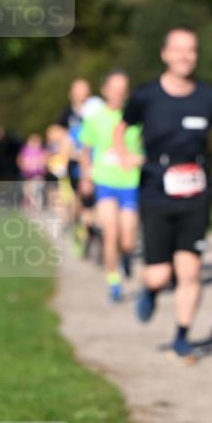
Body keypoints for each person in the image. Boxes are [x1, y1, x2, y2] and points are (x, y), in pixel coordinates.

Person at [115, 27, 212, 363]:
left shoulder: (210, 97)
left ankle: (182, 336)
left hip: (195, 188)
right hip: (155, 187)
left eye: (190, 50)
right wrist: (123, 153)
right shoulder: (147, 96)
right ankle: (150, 290)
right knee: (159, 274)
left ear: (196, 55)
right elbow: (122, 128)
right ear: (164, 54)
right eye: (177, 50)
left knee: (190, 271)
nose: (184, 56)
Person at [79, 71, 143, 302]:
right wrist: (86, 177)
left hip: (130, 182)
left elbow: (147, 148)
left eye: (122, 89)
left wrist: (139, 159)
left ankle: (126, 255)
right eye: (114, 89)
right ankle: (113, 281)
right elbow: (85, 151)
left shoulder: (135, 118)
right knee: (110, 232)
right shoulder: (95, 118)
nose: (118, 93)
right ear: (105, 90)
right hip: (104, 181)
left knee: (127, 237)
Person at [57, 78, 99, 255]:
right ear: (71, 93)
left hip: (94, 163)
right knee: (76, 204)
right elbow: (56, 134)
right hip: (73, 165)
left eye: (85, 90)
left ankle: (90, 234)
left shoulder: (96, 110)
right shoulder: (66, 114)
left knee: (91, 202)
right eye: (79, 90)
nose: (82, 94)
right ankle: (79, 230)